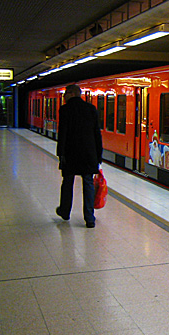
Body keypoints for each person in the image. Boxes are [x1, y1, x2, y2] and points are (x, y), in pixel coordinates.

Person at [56, 84, 103, 228]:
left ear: (71, 94)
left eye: (65, 93)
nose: (64, 96)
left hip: (70, 153)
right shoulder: (91, 109)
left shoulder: (65, 110)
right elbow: (97, 133)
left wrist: (61, 153)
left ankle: (65, 211)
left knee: (68, 182)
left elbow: (62, 133)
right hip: (89, 153)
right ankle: (89, 218)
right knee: (88, 183)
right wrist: (98, 154)